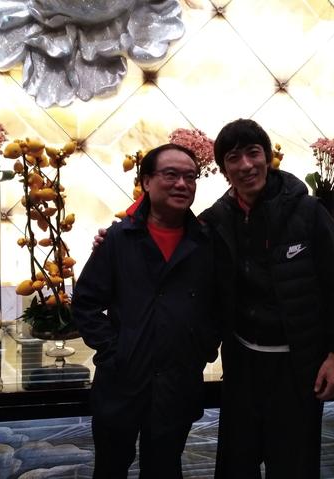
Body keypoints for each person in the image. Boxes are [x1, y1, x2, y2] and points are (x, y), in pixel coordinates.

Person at [200, 118, 334, 478]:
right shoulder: (217, 219)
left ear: (268, 157)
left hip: (298, 364)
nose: (245, 165)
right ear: (223, 169)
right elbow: (171, 238)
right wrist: (116, 236)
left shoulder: (309, 212)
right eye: (233, 158)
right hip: (242, 363)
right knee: (237, 461)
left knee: (293, 463)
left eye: (253, 153)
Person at [71, 143, 220, 479]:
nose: (182, 184)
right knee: (110, 467)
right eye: (171, 175)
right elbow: (86, 302)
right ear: (146, 182)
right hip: (122, 379)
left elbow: (218, 306)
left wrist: (202, 348)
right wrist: (113, 351)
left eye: (190, 177)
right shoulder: (118, 239)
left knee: (165, 467)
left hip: (178, 381)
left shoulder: (206, 242)